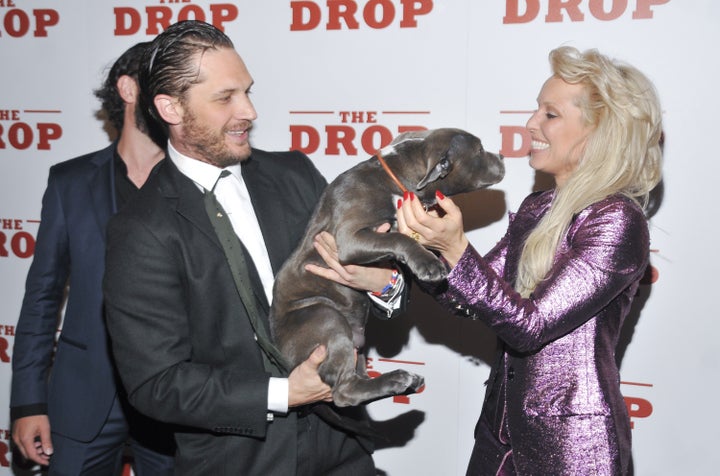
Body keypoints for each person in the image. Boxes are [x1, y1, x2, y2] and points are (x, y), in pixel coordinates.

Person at [102, 20, 405, 476]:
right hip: (238, 461)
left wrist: (386, 284)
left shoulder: (295, 175)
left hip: (343, 447)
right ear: (170, 107)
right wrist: (284, 393)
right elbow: (156, 383)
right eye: (225, 97)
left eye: (247, 91)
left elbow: (355, 281)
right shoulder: (141, 228)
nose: (248, 110)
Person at [394, 46, 663, 475]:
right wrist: (422, 250)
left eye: (550, 114)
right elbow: (468, 298)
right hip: (497, 438)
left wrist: (457, 250)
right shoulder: (539, 207)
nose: (531, 123)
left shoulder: (617, 220)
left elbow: (528, 326)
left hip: (573, 451)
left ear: (600, 131)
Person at [10, 43, 175, 474]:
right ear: (127, 88)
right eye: (163, 83)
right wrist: (28, 401)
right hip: (82, 398)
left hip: (177, 401)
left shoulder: (201, 184)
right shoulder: (70, 182)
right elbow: (42, 298)